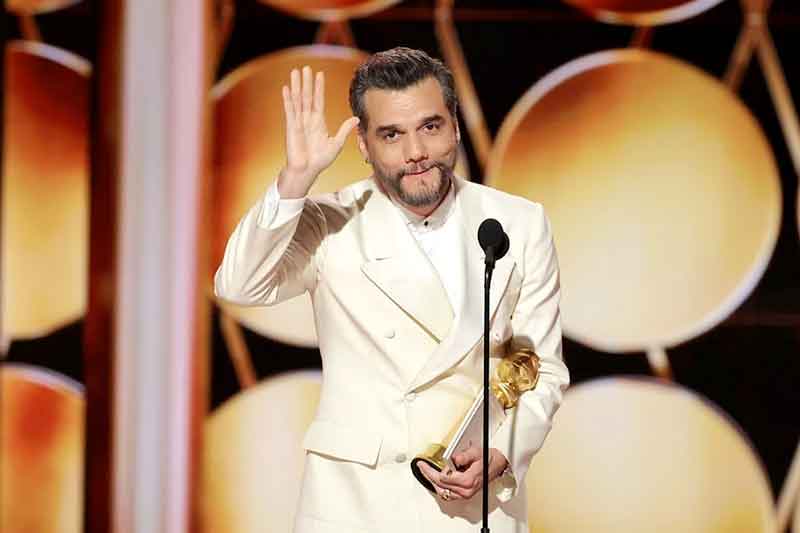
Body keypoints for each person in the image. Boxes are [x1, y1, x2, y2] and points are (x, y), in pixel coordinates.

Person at [214, 47, 569, 533]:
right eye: (391, 135)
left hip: (473, 506)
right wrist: (295, 179)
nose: (415, 151)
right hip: (354, 505)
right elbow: (239, 284)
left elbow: (542, 367)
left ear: (455, 127)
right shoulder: (329, 220)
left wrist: (504, 451)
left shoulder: (517, 222)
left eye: (430, 126)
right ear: (363, 144)